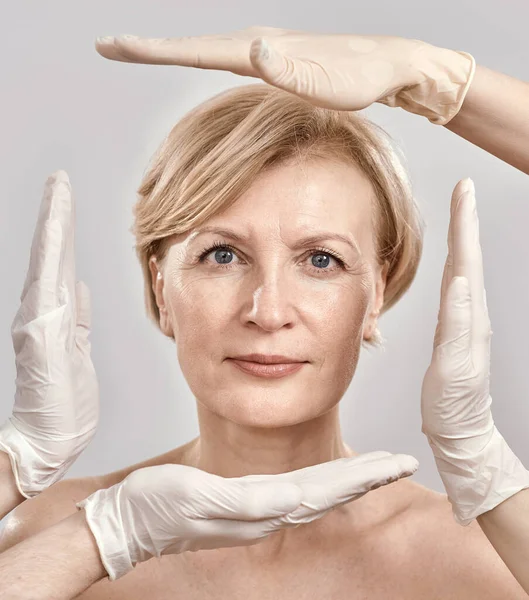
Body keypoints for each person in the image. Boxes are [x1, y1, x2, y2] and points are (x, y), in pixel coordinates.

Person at [1, 27, 529, 599]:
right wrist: (22, 474)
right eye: (222, 255)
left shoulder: (492, 559)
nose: (268, 310)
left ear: (376, 293)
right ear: (161, 287)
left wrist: (440, 78)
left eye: (321, 260)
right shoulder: (49, 536)